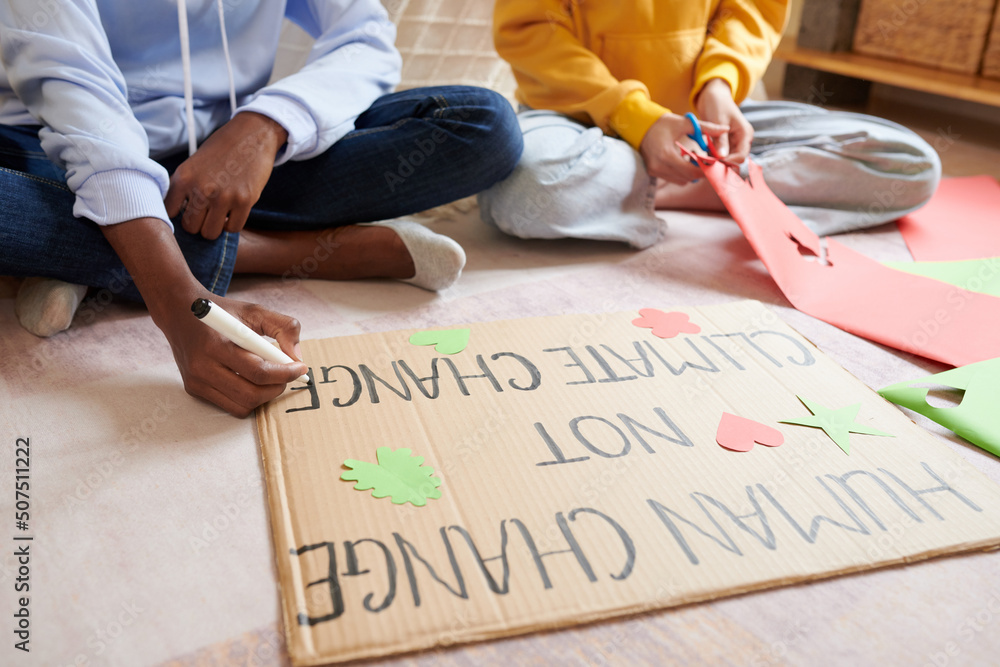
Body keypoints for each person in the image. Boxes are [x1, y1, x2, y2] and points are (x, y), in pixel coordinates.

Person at [0, 0, 522, 417]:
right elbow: (83, 107)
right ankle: (282, 251)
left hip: (222, 171)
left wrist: (264, 129)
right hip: (51, 150)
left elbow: (365, 38)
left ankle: (84, 254)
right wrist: (182, 307)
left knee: (483, 125)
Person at [478, 0, 941, 249]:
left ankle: (667, 185)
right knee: (528, 196)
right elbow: (533, 32)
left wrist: (718, 85)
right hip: (577, 118)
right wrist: (637, 118)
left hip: (706, 117)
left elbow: (752, 10)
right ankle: (711, 185)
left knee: (910, 165)